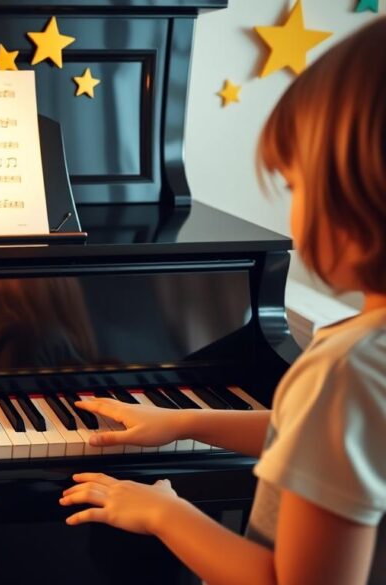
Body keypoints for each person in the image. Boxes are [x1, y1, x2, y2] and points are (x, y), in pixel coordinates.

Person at [60, 18, 386, 585]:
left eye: (295, 184)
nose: (293, 210)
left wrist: (165, 512)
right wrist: (184, 421)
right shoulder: (368, 357)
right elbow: (321, 442)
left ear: (355, 191)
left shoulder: (345, 371)